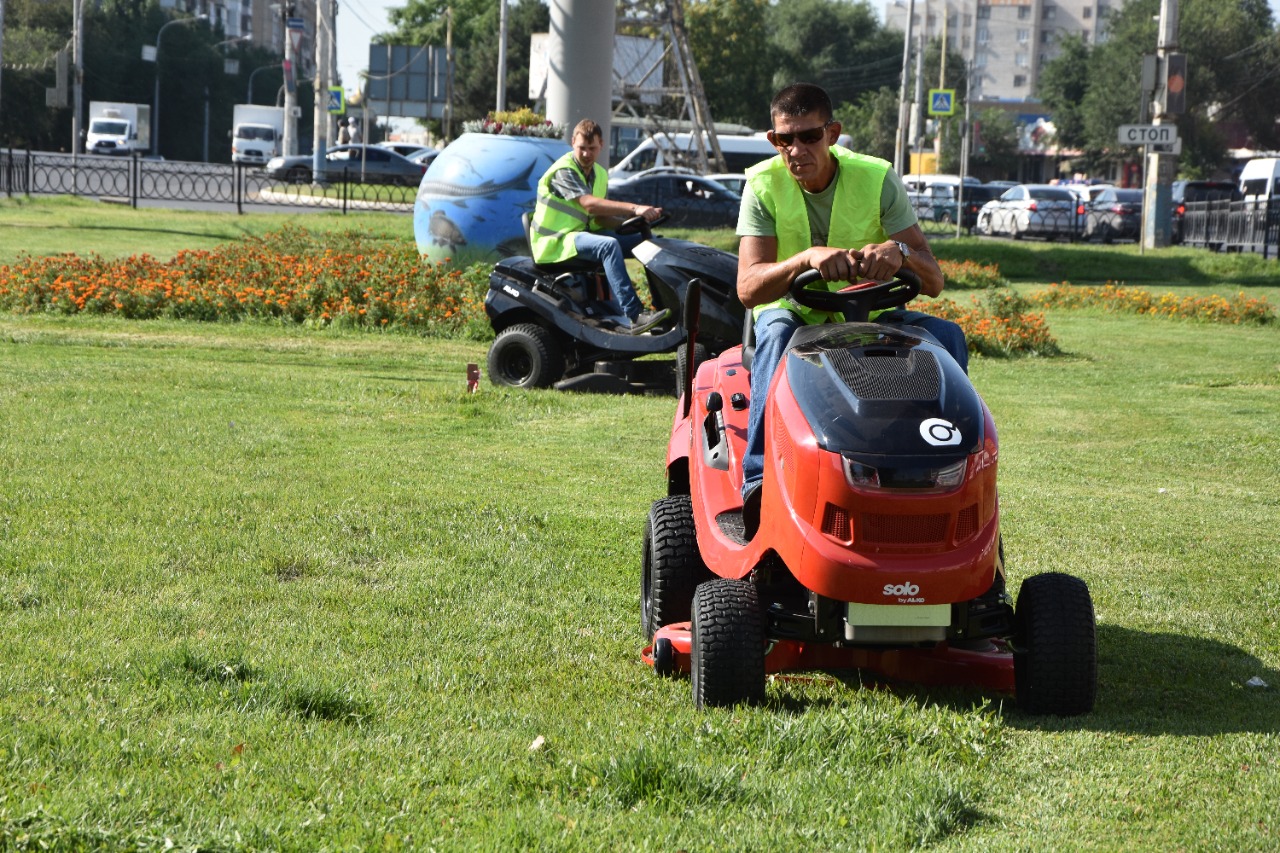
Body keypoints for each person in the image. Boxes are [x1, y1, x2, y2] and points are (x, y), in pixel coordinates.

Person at [736, 82, 969, 518]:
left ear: (833, 133)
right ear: (773, 140)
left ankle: (942, 463)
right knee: (777, 332)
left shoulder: (877, 178)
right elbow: (749, 289)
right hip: (794, 312)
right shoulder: (761, 186)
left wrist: (898, 254)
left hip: (873, 317)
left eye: (809, 136)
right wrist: (805, 259)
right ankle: (760, 479)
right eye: (784, 139)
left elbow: (933, 279)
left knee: (946, 335)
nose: (796, 149)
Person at [530, 119, 669, 334]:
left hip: (578, 237)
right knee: (608, 246)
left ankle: (667, 308)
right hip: (555, 243)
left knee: (651, 243)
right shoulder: (564, 171)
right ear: (572, 143)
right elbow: (589, 205)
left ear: (601, 145)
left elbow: (599, 221)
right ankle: (635, 315)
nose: (586, 153)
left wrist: (634, 225)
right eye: (581, 148)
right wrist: (634, 209)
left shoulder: (600, 174)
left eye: (591, 148)